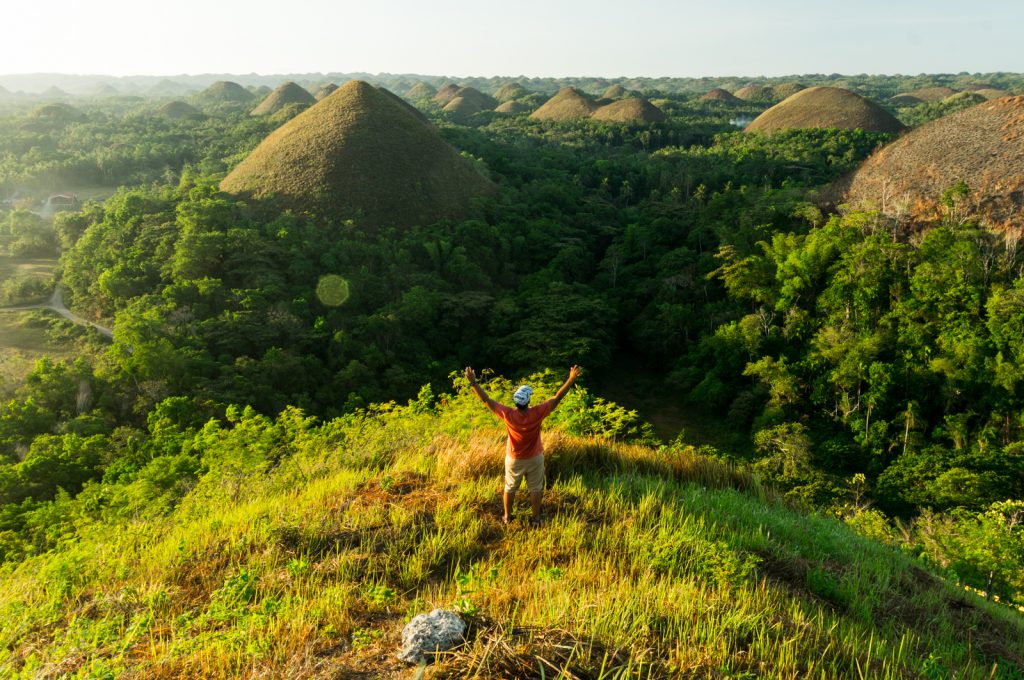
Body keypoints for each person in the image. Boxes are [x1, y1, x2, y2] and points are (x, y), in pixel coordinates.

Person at [464, 365, 583, 526]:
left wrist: (473, 383)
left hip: (514, 458)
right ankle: (536, 519)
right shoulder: (537, 412)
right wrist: (571, 379)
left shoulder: (508, 414)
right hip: (535, 458)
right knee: (536, 488)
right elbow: (557, 398)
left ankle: (507, 517)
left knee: (510, 487)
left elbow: (486, 400)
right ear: (528, 401)